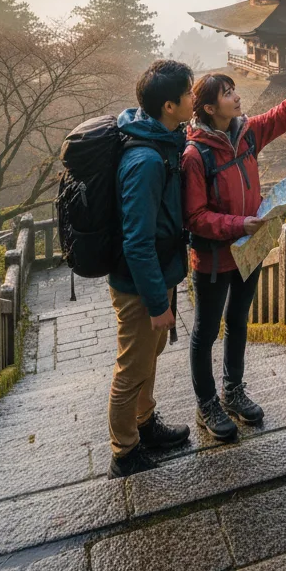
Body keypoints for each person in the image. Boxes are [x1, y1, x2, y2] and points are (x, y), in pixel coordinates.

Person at [184, 62, 286, 441]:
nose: (236, 97)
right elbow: (194, 217)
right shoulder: (195, 155)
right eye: (227, 94)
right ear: (209, 108)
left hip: (251, 249)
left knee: (239, 320)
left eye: (233, 90)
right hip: (214, 258)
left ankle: (233, 391)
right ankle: (206, 403)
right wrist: (237, 224)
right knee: (206, 331)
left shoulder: (247, 133)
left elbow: (284, 113)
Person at [106, 59, 195, 478]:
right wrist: (158, 302)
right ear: (169, 106)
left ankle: (144, 424)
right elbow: (137, 241)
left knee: (149, 355)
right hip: (139, 283)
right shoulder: (144, 160)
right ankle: (124, 453)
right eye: (189, 93)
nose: (194, 97)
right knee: (132, 366)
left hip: (159, 273)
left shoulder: (164, 138)